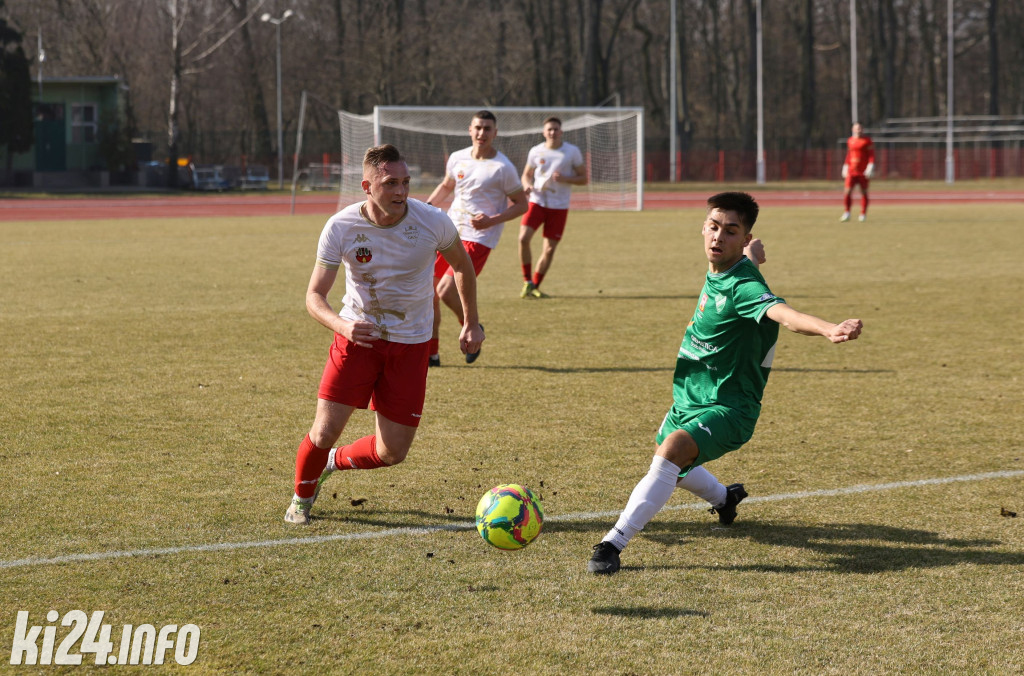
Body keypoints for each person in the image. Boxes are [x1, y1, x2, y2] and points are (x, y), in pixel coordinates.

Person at [587, 192, 863, 574]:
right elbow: (745, 262)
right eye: (714, 227)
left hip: (731, 407)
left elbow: (783, 313)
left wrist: (828, 328)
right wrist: (752, 254)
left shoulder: (743, 288)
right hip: (691, 394)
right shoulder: (722, 267)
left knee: (671, 451)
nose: (719, 237)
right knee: (674, 463)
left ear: (743, 235)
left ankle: (611, 544)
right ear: (703, 228)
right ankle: (724, 498)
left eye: (731, 232)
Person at [285, 144, 483, 525]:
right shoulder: (341, 227)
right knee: (324, 429)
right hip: (356, 341)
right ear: (367, 186)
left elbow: (462, 266)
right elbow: (313, 296)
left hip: (411, 346)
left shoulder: (433, 222)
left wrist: (471, 322)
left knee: (392, 453)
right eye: (390, 183)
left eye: (405, 182)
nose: (401, 191)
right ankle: (301, 498)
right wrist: (344, 326)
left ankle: (332, 463)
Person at [425, 110, 528, 366]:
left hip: (478, 237)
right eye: (478, 128)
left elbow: (521, 204)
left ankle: (473, 327)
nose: (482, 133)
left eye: (487, 129)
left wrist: (491, 221)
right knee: (429, 294)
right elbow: (447, 186)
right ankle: (431, 354)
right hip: (448, 231)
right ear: (470, 130)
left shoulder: (503, 167)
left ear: (495, 133)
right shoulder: (458, 158)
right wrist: (426, 209)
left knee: (446, 290)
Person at [518, 116, 588, 299]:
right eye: (549, 129)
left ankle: (535, 286)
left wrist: (566, 179)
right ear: (544, 132)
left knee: (549, 249)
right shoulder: (536, 151)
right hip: (537, 201)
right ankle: (527, 281)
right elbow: (526, 175)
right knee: (523, 238)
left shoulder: (571, 152)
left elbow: (584, 178)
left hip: (559, 206)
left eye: (556, 129)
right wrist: (526, 185)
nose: (552, 132)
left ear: (561, 132)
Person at [841, 122, 875, 222]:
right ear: (853, 129)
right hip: (851, 171)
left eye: (860, 128)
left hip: (863, 171)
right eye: (856, 128)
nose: (858, 130)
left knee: (864, 193)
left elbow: (871, 155)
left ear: (862, 129)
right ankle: (847, 213)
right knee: (847, 192)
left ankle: (863, 214)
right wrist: (845, 165)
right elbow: (849, 155)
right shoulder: (850, 141)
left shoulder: (867, 141)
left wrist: (871, 165)